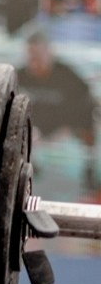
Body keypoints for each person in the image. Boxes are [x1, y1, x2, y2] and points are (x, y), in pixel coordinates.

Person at [17, 29, 98, 192]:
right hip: (35, 123)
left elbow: (86, 101)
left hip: (64, 122)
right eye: (30, 58)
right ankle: (25, 167)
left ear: (49, 53)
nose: (34, 64)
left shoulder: (66, 75)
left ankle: (89, 167)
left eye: (38, 58)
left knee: (89, 110)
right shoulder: (20, 75)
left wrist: (68, 129)